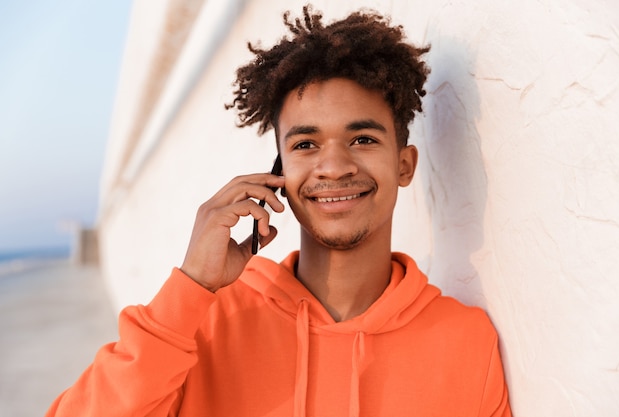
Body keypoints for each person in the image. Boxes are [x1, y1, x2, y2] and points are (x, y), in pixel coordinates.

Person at [46, 5, 511, 417]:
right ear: (279, 174)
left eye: (363, 139)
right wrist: (192, 286)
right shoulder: (203, 323)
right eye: (306, 144)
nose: (333, 167)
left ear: (404, 164)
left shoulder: (466, 343)